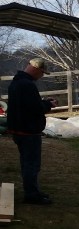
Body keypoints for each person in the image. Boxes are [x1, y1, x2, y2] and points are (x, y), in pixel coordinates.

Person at [6, 57, 56, 204]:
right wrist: (48, 105)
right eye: (42, 73)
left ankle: (32, 191)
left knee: (27, 163)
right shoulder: (27, 85)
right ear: (36, 69)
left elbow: (26, 105)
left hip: (19, 131)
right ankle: (32, 195)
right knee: (32, 165)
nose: (41, 76)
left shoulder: (16, 82)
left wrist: (43, 102)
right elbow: (34, 109)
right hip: (28, 132)